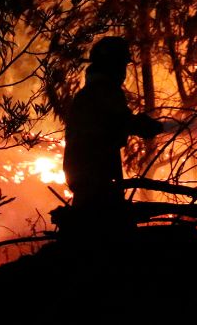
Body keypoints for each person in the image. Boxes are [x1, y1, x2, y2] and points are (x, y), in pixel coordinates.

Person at [62, 36, 162, 229]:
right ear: (111, 64)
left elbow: (112, 123)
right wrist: (145, 125)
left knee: (88, 230)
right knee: (108, 233)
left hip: (85, 175)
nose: (123, 71)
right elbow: (121, 120)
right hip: (96, 177)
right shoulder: (104, 91)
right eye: (121, 64)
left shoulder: (89, 92)